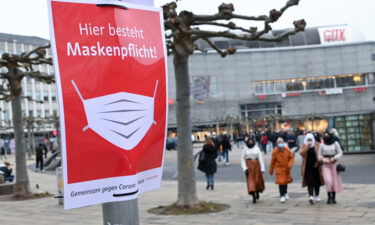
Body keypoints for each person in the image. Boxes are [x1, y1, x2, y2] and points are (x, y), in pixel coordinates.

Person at [318, 132, 343, 204]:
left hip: (334, 164)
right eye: (325, 136)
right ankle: (329, 196)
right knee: (328, 180)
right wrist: (324, 160)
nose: (326, 137)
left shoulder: (335, 143)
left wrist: (334, 158)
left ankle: (333, 198)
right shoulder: (321, 145)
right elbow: (319, 155)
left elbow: (340, 153)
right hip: (325, 165)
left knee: (334, 181)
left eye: (327, 136)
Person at [299, 133, 325, 204]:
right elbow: (301, 153)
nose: (309, 141)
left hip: (316, 166)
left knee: (317, 181)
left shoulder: (317, 144)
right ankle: (311, 195)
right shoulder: (304, 145)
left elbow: (322, 153)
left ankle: (317, 195)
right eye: (308, 140)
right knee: (310, 181)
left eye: (310, 139)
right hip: (307, 166)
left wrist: (320, 160)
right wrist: (307, 146)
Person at [269, 137, 294, 203]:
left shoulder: (287, 150)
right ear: (277, 143)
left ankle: (285, 193)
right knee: (281, 182)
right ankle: (282, 195)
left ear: (283, 143)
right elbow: (272, 161)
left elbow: (291, 157)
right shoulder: (275, 151)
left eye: (281, 142)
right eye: (279, 142)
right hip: (279, 168)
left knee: (285, 182)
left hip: (286, 168)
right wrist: (271, 169)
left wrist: (290, 165)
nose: (280, 143)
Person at [241, 138, 265, 203]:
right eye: (249, 142)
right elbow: (242, 159)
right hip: (249, 165)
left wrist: (262, 168)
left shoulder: (257, 148)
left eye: (252, 142)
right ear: (247, 143)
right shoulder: (245, 149)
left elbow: (261, 158)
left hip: (257, 165)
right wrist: (244, 168)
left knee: (257, 181)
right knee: (251, 182)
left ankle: (257, 191)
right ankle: (253, 196)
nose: (250, 143)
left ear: (253, 142)